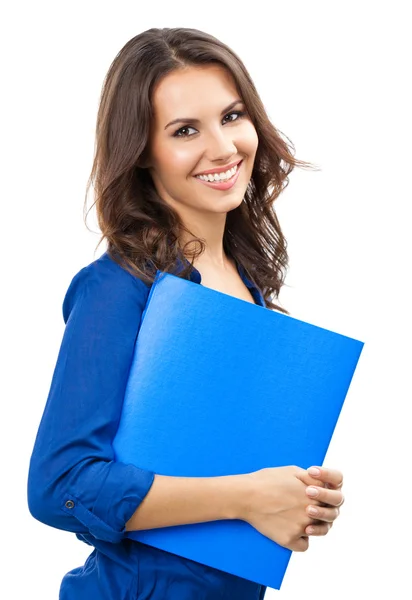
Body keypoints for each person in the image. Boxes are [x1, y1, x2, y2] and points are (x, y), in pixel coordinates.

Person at [27, 27, 345, 600]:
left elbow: (215, 469)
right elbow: (59, 485)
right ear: (143, 151)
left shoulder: (252, 287)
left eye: (232, 116)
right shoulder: (116, 289)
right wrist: (245, 497)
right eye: (184, 130)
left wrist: (297, 500)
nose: (223, 148)